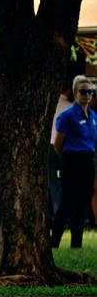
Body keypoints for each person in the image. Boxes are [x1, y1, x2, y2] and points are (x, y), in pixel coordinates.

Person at [51, 75, 97, 248]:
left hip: (88, 160)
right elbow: (58, 143)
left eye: (90, 92)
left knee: (83, 201)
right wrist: (68, 158)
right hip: (71, 159)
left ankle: (76, 244)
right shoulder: (68, 115)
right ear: (76, 93)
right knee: (66, 201)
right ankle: (54, 242)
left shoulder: (93, 116)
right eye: (83, 91)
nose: (87, 95)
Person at [49, 85, 73, 221]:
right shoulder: (69, 108)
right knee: (65, 184)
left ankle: (57, 216)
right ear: (68, 91)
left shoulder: (48, 106)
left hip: (48, 148)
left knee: (54, 184)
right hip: (63, 148)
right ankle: (63, 218)